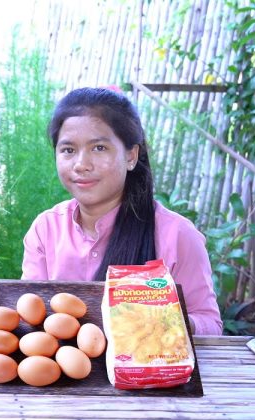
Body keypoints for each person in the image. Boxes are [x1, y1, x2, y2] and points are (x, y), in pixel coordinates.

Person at [21, 87, 222, 336]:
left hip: (147, 370)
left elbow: (210, 325)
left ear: (131, 156)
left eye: (99, 148)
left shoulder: (177, 235)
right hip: (60, 373)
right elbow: (31, 312)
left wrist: (168, 321)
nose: (81, 165)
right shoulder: (45, 230)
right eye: (68, 150)